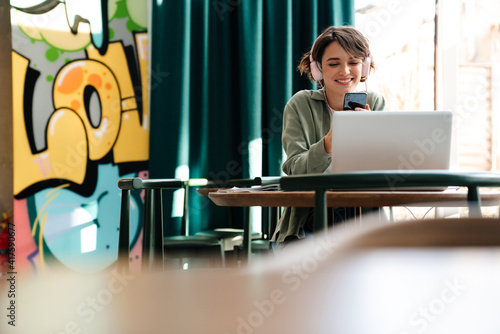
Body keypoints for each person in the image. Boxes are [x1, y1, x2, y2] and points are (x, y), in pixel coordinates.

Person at [271, 26, 387, 250]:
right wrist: (329, 143)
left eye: (353, 62)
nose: (345, 71)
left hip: (365, 220)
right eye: (334, 63)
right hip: (309, 223)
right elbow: (295, 170)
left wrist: (373, 140)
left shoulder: (376, 103)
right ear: (317, 70)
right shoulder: (300, 104)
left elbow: (387, 172)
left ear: (363, 66)